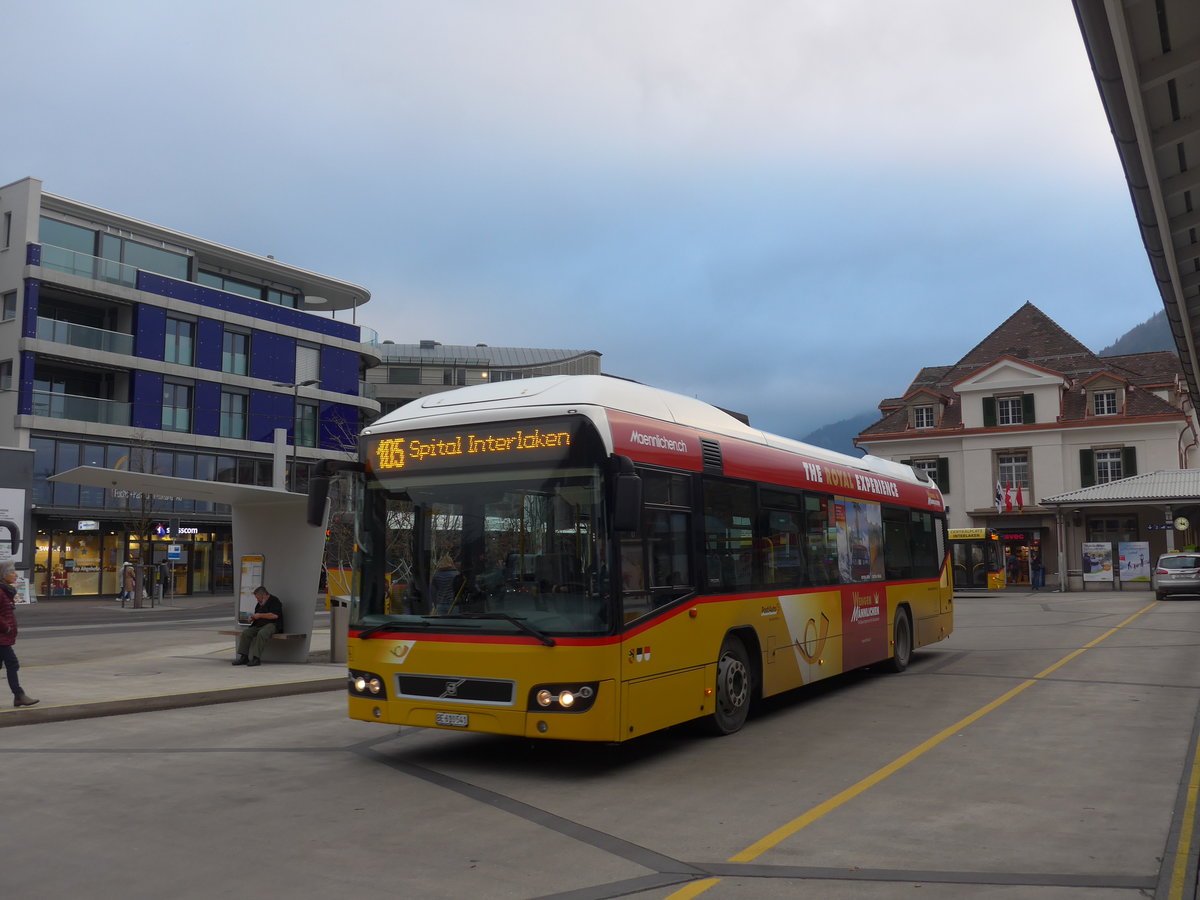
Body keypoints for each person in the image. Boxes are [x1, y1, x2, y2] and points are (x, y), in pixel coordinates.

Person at [0, 562, 39, 707]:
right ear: (3, 576)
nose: (16, 575)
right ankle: (19, 695)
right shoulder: (1, 591)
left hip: (3, 637)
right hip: (1, 637)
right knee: (12, 663)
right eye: (12, 572)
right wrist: (7, 628)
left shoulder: (5, 591)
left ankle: (19, 696)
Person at [233, 585, 284, 667]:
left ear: (263, 595)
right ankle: (244, 657)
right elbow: (257, 615)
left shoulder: (275, 601)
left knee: (262, 633)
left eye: (258, 598)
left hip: (272, 625)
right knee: (246, 633)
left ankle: (256, 658)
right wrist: (253, 618)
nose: (257, 600)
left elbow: (275, 615)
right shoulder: (259, 604)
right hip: (259, 625)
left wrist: (260, 615)